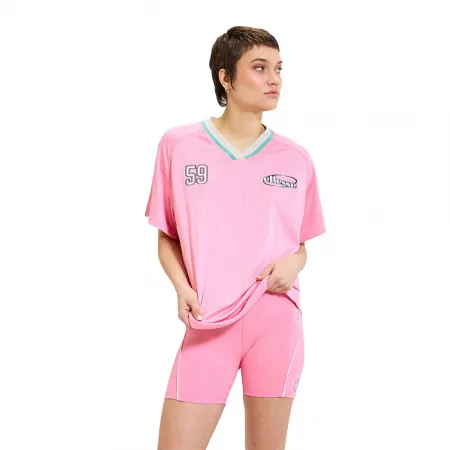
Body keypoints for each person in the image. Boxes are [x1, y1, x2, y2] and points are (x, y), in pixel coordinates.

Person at [144, 26, 326, 450]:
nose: (274, 79)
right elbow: (167, 234)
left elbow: (300, 245)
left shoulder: (296, 158)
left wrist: (293, 263)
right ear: (225, 78)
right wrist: (182, 288)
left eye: (278, 69)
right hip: (209, 321)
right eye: (259, 68)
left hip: (276, 318)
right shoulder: (179, 145)